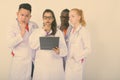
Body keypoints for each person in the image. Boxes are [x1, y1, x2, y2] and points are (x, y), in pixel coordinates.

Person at [29, 9, 68, 80]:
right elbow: (32, 46)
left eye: (50, 17)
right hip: (41, 66)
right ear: (43, 19)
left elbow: (65, 51)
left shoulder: (58, 32)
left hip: (55, 66)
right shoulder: (37, 32)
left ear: (53, 19)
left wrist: (59, 51)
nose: (47, 19)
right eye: (45, 17)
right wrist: (43, 32)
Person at [7, 3, 38, 80]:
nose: (24, 18)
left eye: (27, 16)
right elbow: (9, 43)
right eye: (22, 15)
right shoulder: (12, 26)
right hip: (19, 62)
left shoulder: (34, 25)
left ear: (30, 16)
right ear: (17, 14)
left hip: (32, 62)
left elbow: (37, 42)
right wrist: (21, 34)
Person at [65, 8, 91, 80]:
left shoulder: (83, 31)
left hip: (77, 63)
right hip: (69, 63)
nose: (70, 18)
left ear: (79, 17)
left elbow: (88, 49)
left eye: (73, 16)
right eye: (69, 16)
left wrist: (77, 57)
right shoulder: (71, 30)